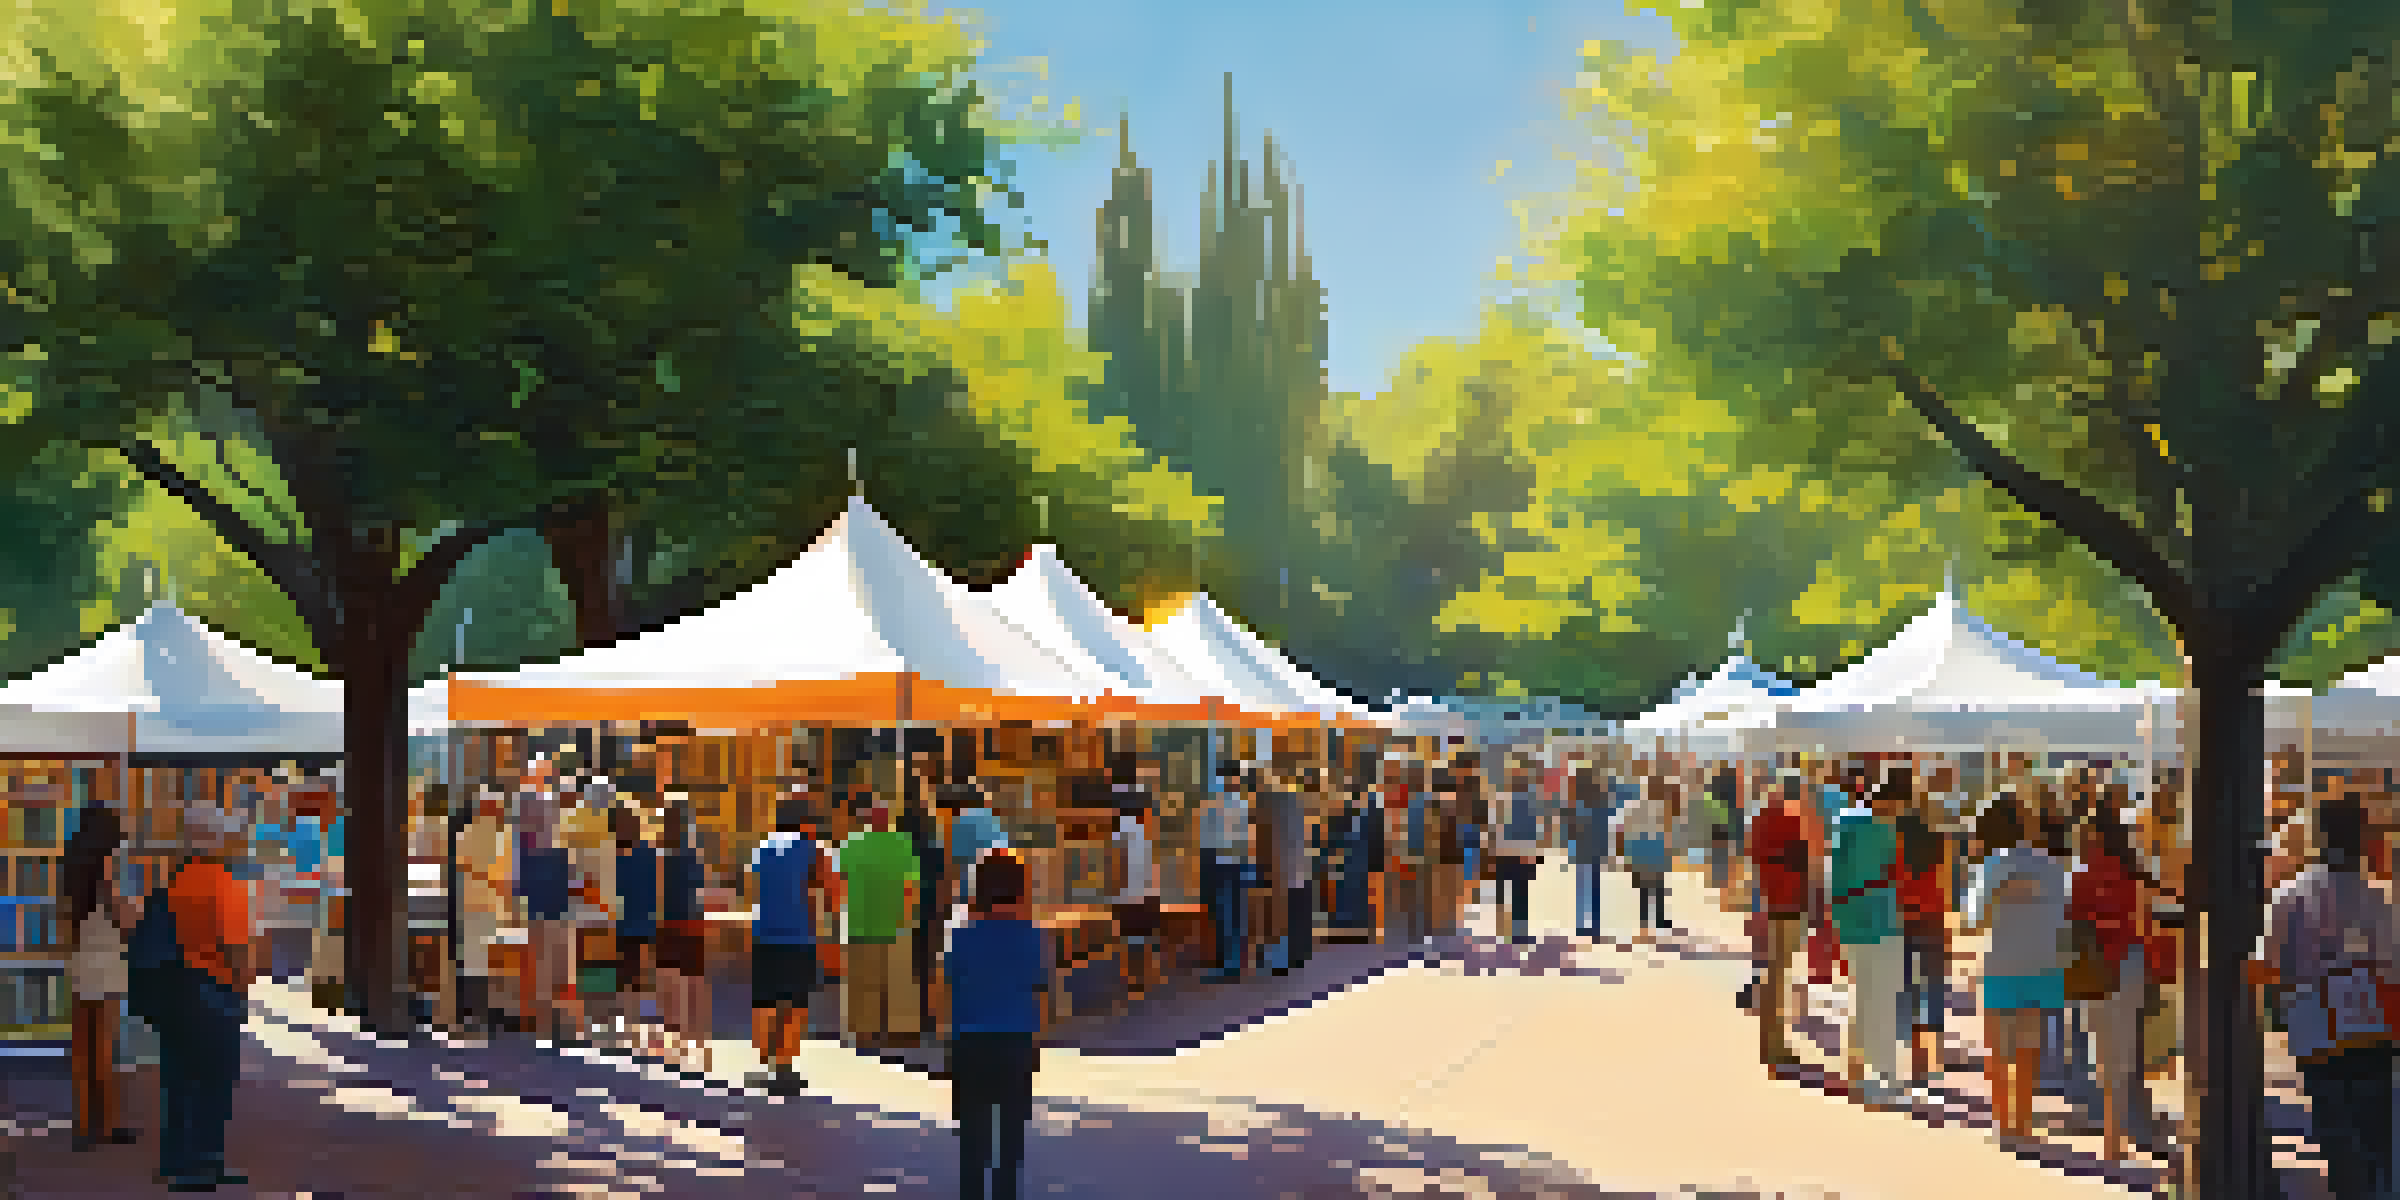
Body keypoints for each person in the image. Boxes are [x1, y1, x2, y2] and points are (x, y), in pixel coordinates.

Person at [2254, 787, 2398, 1200]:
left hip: (2317, 1034)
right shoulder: (2379, 897)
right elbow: (2392, 969)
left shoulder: (2290, 895)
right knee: (2374, 1147)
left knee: (2338, 1142)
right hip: (2373, 1032)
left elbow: (2269, 967)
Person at [1964, 797, 2070, 1146]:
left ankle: (2002, 1124)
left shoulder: (1992, 865)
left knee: (1997, 1048)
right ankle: (2022, 1123)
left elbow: (1973, 921)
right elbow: (2064, 914)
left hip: (2002, 963)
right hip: (2044, 962)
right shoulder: (2052, 865)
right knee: (2028, 1048)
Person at [159, 804, 255, 1191]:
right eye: (233, 835)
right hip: (216, 986)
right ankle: (203, 1162)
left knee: (181, 1079)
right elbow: (233, 943)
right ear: (215, 840)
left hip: (180, 984)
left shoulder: (181, 879)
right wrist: (244, 981)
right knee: (214, 1080)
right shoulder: (223, 881)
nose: (238, 842)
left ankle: (177, 1160)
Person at [946, 850, 1045, 1200]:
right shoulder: (1032, 936)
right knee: (1010, 1140)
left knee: (973, 1138)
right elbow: (1039, 988)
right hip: (1015, 1041)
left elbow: (943, 984)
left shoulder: (959, 936)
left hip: (969, 1043)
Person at [2069, 806, 2148, 1164]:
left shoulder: (2080, 874)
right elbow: (2144, 926)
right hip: (2128, 961)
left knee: (2101, 1051)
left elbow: (2068, 921)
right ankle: (2117, 1136)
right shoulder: (2134, 875)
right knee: (2123, 1050)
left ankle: (2111, 1136)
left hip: (2092, 963)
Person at [62, 803, 139, 1152]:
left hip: (79, 959)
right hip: (106, 958)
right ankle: (107, 1125)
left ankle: (82, 1124)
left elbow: (64, 920)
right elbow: (124, 919)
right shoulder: (110, 866)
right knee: (104, 1045)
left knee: (82, 1046)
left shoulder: (72, 870)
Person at [1828, 775, 1905, 1108]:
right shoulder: (1883, 830)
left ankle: (1856, 1071)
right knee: (1882, 999)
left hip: (1852, 917)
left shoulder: (1845, 821)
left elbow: (1834, 873)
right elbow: (1894, 872)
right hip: (1881, 918)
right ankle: (1883, 1072)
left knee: (1861, 995)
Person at [750, 797, 830, 1095]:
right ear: (805, 822)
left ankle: (765, 1064)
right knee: (795, 1004)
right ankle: (784, 1068)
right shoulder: (812, 849)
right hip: (799, 936)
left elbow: (752, 889)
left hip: (765, 935)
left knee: (765, 1002)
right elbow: (832, 890)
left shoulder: (764, 847)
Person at [836, 794, 922, 1051]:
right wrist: (909, 918)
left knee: (864, 983)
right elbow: (912, 886)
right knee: (899, 983)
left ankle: (864, 1031)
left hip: (861, 923)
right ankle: (901, 1032)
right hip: (895, 924)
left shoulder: (851, 844)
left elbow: (839, 883)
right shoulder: (903, 844)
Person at [1750, 775, 1813, 1072]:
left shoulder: (1762, 816)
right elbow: (1806, 860)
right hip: (1789, 900)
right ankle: (1774, 1047)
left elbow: (1754, 854)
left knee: (1772, 973)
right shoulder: (1792, 816)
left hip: (1769, 898)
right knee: (1779, 975)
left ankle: (1770, 1042)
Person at [1892, 804, 1953, 1103]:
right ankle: (1936, 1065)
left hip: (1904, 923)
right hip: (1933, 922)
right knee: (1935, 993)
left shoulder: (1896, 845)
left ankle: (1916, 1070)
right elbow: (1945, 888)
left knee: (1912, 995)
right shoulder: (1941, 844)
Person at [654, 800, 712, 1075]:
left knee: (669, 985)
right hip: (692, 922)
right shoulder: (694, 855)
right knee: (694, 983)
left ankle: (674, 1048)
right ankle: (699, 1044)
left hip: (668, 922)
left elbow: (656, 893)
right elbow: (703, 886)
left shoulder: (660, 856)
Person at [456, 787, 514, 1036]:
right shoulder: (470, 833)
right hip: (476, 907)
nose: (498, 811)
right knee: (476, 963)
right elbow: (465, 867)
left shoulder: (504, 834)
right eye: (494, 806)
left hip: (494, 907)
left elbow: (510, 873)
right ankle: (475, 1014)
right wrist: (492, 881)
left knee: (491, 963)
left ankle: (488, 1014)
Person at [1110, 775, 1162, 1011]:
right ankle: (1150, 980)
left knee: (1129, 940)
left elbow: (1119, 863)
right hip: (1148, 891)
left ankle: (1132, 984)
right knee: (1147, 938)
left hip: (1128, 894)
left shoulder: (1121, 831)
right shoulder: (1144, 831)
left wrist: (1115, 891)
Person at [1199, 759, 1251, 980]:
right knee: (1234, 914)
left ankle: (1229, 964)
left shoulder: (1218, 803)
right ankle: (1233, 961)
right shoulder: (1240, 802)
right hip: (1237, 863)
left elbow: (1208, 838)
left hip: (1223, 864)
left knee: (1226, 914)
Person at [612, 805, 658, 1049]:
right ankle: (641, 1029)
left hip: (625, 922)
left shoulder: (617, 856)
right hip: (646, 921)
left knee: (626, 976)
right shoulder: (648, 852)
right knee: (642, 975)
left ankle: (627, 1027)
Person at [1620, 768, 1673, 944]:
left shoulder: (1637, 805)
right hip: (1653, 847)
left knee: (1646, 887)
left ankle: (1647, 924)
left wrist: (1628, 854)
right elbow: (1665, 831)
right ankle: (1657, 922)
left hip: (1641, 847)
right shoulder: (1660, 807)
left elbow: (1627, 829)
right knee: (1656, 886)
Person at [1568, 769, 1612, 940]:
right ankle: (1594, 926)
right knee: (1593, 889)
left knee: (1583, 889)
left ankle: (1582, 925)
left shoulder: (1577, 805)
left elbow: (1572, 829)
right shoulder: (1600, 803)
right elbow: (1604, 828)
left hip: (1583, 851)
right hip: (1594, 850)